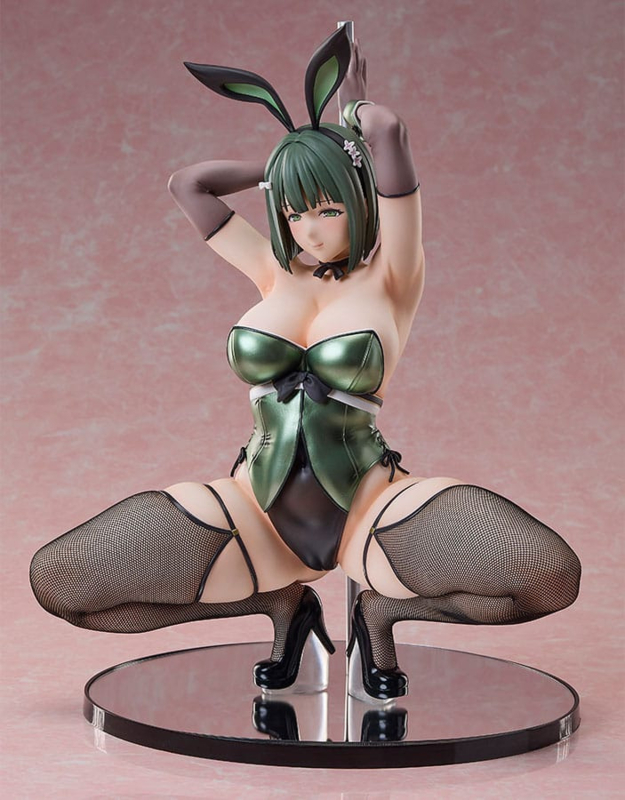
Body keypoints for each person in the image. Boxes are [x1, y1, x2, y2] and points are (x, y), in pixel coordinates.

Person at [30, 28, 581, 701]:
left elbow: (387, 130)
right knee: (66, 580)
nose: (310, 230)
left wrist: (349, 120)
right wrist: (286, 163)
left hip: (372, 507)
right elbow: (189, 185)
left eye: (325, 208)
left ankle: (381, 613)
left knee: (544, 573)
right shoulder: (274, 269)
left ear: (357, 196)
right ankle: (282, 605)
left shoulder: (394, 275)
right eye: (293, 213)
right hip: (252, 510)